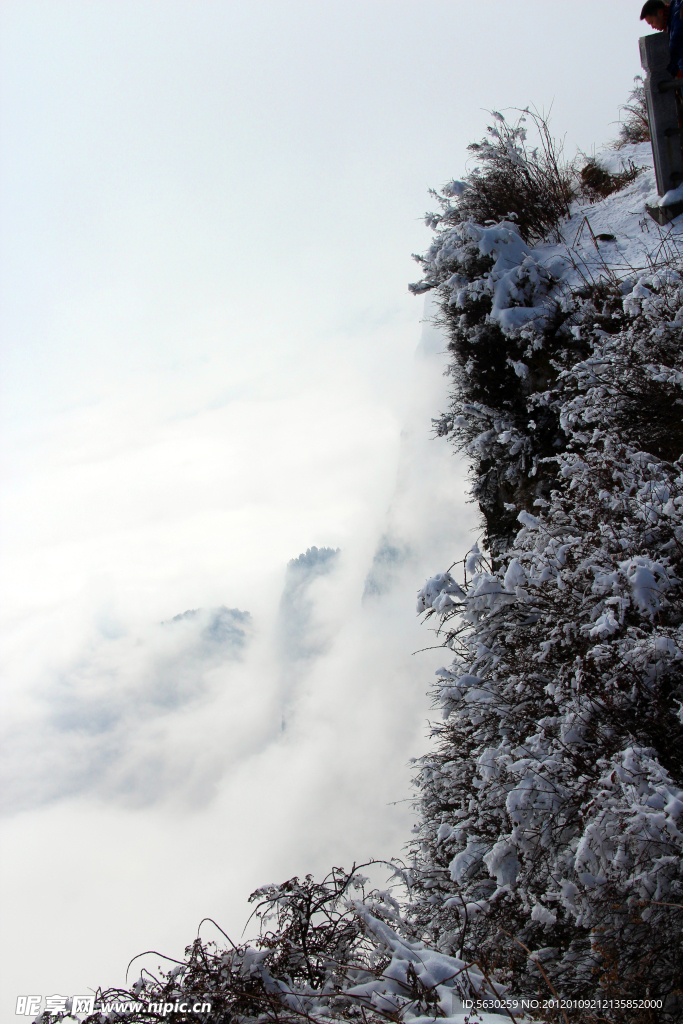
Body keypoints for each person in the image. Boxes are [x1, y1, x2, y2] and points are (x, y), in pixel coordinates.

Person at [640, 0, 683, 76]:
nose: (652, 27)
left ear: (660, 13)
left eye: (652, 22)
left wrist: (665, 75)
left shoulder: (678, 19)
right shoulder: (672, 21)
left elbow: (676, 48)